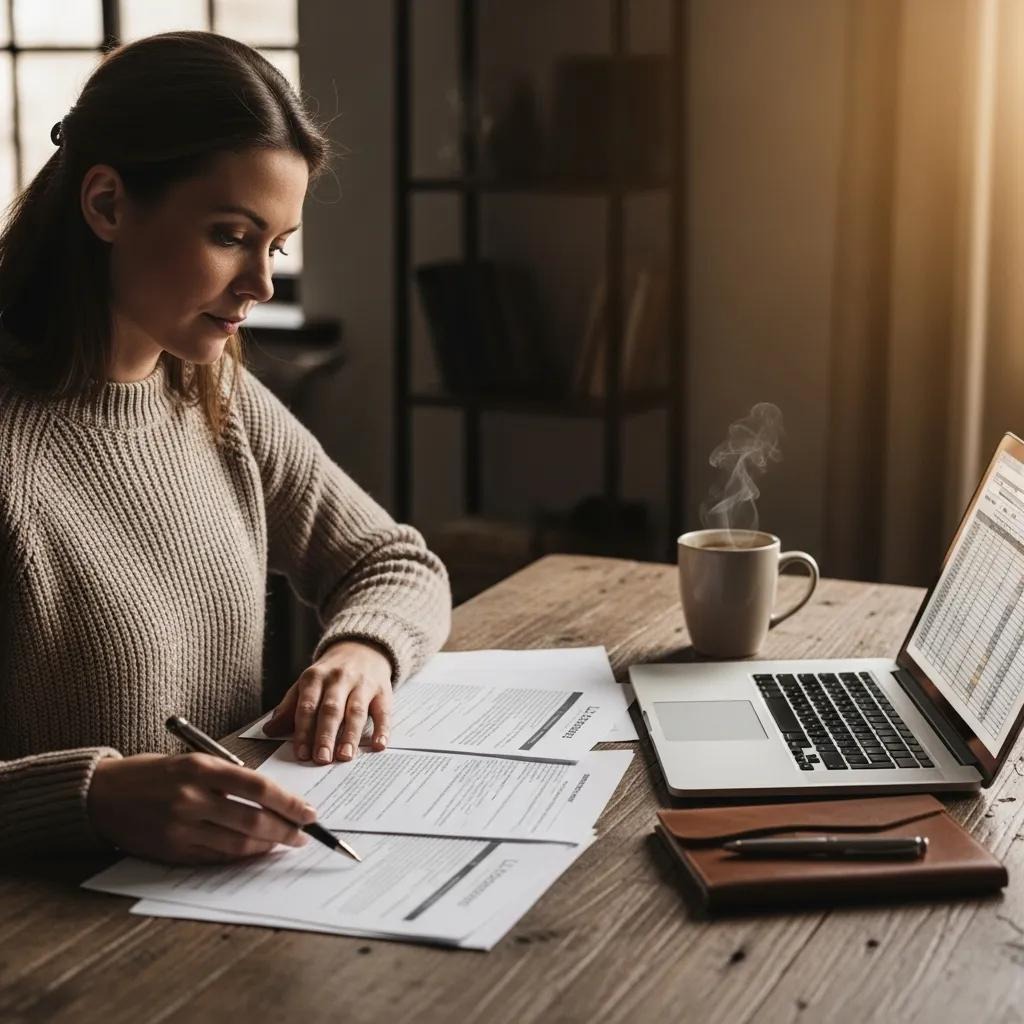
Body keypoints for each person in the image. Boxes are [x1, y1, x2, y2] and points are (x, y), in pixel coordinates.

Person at [0, 32, 451, 864]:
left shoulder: (212, 397)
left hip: (220, 916)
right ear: (105, 204)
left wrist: (362, 651)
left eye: (275, 245)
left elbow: (396, 561)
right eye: (230, 235)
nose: (263, 283)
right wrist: (89, 797)